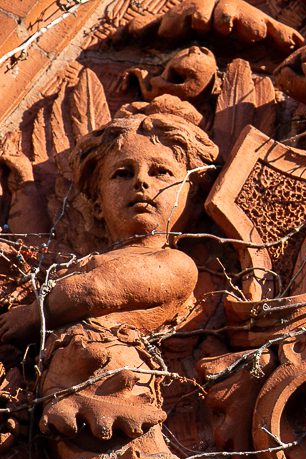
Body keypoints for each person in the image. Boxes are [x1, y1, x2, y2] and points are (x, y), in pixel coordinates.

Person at [0, 101, 218, 440]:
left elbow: (94, 291)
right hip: (58, 395)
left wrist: (31, 316)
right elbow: (39, 252)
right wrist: (25, 185)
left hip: (114, 397)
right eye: (123, 173)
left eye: (160, 172)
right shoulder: (85, 260)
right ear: (98, 203)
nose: (141, 182)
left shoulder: (175, 264)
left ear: (191, 196)